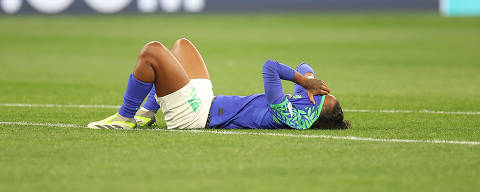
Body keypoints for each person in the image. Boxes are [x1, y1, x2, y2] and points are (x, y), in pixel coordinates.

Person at [88, 38, 350, 130]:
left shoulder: (291, 115)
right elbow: (304, 68)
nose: (317, 94)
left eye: (323, 97)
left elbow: (270, 67)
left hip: (196, 116)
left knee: (152, 52)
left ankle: (125, 118)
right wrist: (311, 82)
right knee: (182, 45)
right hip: (208, 101)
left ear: (314, 110)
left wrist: (305, 81)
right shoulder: (306, 108)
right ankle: (146, 114)